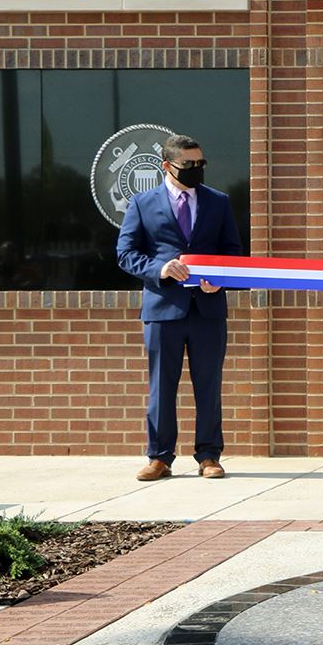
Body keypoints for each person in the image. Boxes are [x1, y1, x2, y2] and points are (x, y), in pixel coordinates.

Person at [116, 134, 242, 482]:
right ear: (167, 165)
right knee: (161, 386)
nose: (197, 169)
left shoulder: (218, 202)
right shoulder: (142, 203)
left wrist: (220, 279)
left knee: (208, 385)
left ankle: (209, 455)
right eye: (190, 165)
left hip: (208, 310)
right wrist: (160, 269)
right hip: (162, 309)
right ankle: (159, 457)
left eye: (201, 163)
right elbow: (126, 254)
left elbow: (233, 253)